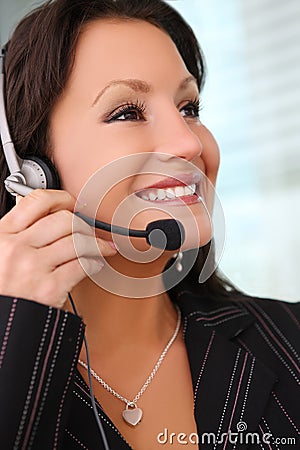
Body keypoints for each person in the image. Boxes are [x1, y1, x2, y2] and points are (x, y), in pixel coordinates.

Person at [0, 0, 299, 449]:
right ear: (30, 171)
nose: (187, 142)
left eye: (190, 107)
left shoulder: (289, 337)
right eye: (127, 113)